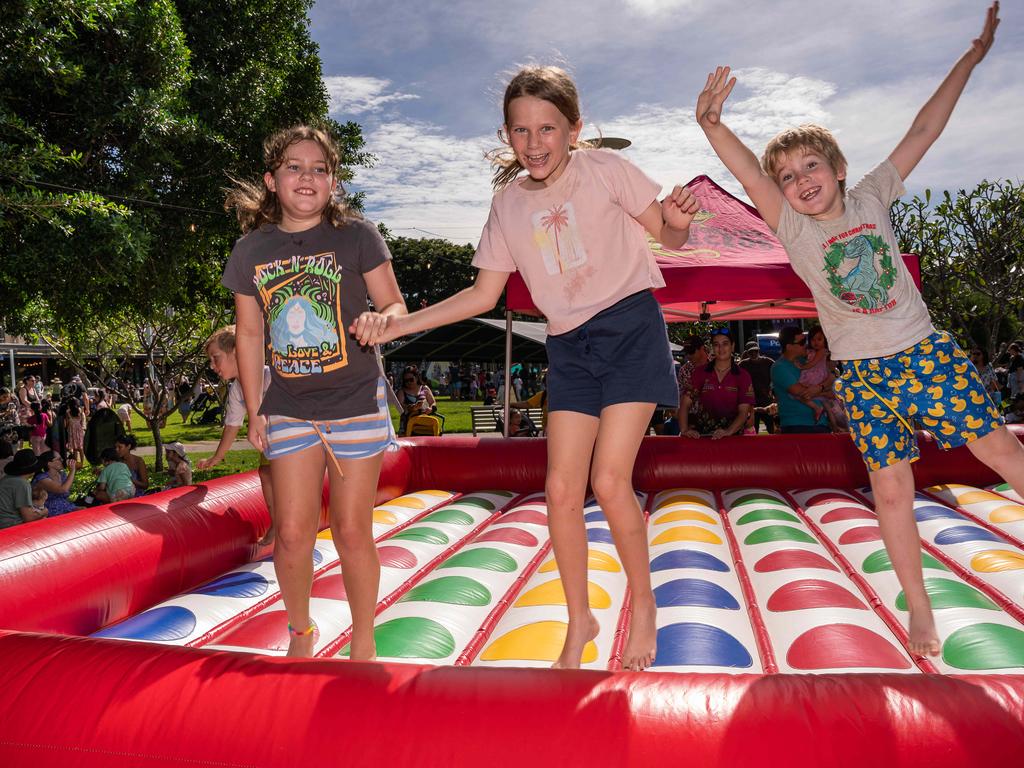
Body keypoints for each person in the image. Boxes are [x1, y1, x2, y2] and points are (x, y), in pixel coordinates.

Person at [696, 2, 1024, 658]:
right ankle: (921, 613)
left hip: (923, 354)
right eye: (788, 178)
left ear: (839, 168)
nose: (798, 181)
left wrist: (972, 57)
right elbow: (747, 174)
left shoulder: (873, 195)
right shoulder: (792, 228)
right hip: (865, 375)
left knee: (1003, 454)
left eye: (810, 167)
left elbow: (925, 127)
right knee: (892, 489)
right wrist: (711, 125)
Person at [373, 65, 699, 671]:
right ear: (507, 135)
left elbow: (670, 238)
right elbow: (481, 297)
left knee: (609, 480)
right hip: (569, 344)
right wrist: (401, 323)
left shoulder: (607, 171)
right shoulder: (507, 205)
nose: (535, 142)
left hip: (629, 327)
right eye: (521, 131)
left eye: (547, 128)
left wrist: (678, 219)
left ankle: (646, 606)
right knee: (558, 489)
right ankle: (582, 619)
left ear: (574, 129)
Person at [223, 124, 406, 659]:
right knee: (293, 534)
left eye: (319, 169)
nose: (307, 177)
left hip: (354, 401)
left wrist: (382, 319)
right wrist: (255, 409)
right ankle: (301, 632)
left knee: (352, 531)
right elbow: (251, 333)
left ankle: (365, 640)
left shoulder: (357, 235)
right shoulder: (251, 249)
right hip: (290, 408)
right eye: (294, 167)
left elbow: (394, 305)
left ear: (333, 181)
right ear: (272, 180)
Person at [197, 325, 276, 545]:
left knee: (276, 476)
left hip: (290, 440)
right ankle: (277, 522)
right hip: (270, 443)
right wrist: (217, 457)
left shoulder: (269, 375)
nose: (213, 366)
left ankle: (286, 524)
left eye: (216, 358)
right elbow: (232, 426)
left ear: (236, 351)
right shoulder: (237, 389)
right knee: (266, 474)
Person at [679, 329, 755, 439]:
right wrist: (684, 429)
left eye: (725, 344)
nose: (721, 348)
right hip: (704, 439)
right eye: (716, 344)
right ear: (712, 348)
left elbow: (744, 413)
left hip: (733, 440)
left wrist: (728, 432)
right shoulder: (700, 373)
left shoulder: (743, 376)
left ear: (733, 346)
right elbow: (685, 403)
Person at [795, 326, 848, 432]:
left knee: (801, 395)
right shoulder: (810, 351)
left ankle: (834, 424)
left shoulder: (822, 351)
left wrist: (802, 367)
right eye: (813, 339)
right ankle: (833, 425)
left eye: (819, 339)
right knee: (826, 406)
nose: (816, 342)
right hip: (814, 377)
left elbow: (813, 363)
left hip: (815, 377)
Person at [0, 449, 46, 528]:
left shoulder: (6, 479)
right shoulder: (22, 483)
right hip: (10, 526)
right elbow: (28, 517)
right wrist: (44, 512)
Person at [738, 340, 775, 434]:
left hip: (766, 400)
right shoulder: (743, 365)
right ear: (747, 353)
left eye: (756, 351)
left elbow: (777, 375)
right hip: (751, 402)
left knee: (771, 428)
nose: (754, 354)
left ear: (759, 351)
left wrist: (773, 390)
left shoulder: (768, 362)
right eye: (751, 352)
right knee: (753, 430)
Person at [31, 450, 80, 516]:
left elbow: (67, 491)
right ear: (49, 463)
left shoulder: (62, 474)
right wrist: (72, 471)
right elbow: (62, 490)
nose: (62, 460)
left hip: (66, 507)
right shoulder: (42, 478)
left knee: (84, 510)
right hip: (50, 511)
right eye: (59, 459)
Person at [397, 367, 436, 435]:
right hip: (407, 426)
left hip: (425, 423)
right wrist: (412, 408)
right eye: (406, 380)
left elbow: (433, 402)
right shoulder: (402, 391)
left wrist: (430, 409)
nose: (409, 382)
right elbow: (400, 406)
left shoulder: (425, 388)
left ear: (417, 377)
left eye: (411, 379)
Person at [64, 401, 86, 465]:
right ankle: (81, 463)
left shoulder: (68, 412)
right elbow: (82, 421)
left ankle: (76, 463)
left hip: (71, 431)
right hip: (79, 430)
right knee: (80, 447)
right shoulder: (80, 410)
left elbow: (67, 423)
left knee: (74, 448)